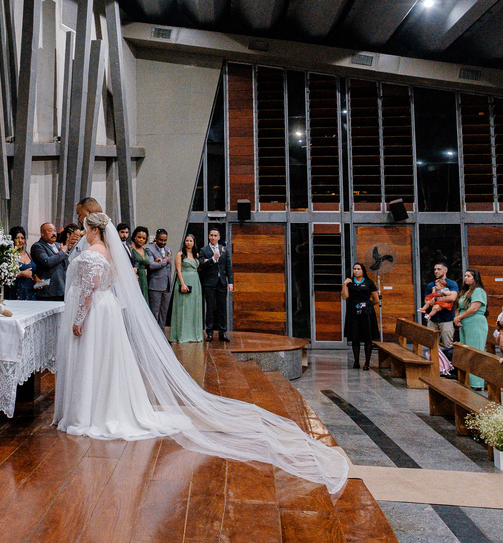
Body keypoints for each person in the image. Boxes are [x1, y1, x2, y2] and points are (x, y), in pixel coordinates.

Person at [53, 211, 347, 493]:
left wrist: (79, 318)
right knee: (105, 364)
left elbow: (90, 288)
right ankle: (101, 407)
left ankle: (89, 412)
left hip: (95, 312)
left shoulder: (93, 253)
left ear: (93, 230)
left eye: (83, 228)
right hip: (108, 312)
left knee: (94, 361)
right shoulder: (110, 253)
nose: (80, 234)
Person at [454, 269, 489, 390]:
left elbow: (474, 308)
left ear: (475, 278)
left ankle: (477, 383)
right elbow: (459, 306)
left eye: (469, 276)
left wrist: (460, 317)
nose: (466, 278)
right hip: (465, 323)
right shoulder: (465, 291)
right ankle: (467, 380)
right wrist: (457, 318)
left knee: (475, 351)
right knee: (465, 350)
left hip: (475, 322)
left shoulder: (478, 290)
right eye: (465, 275)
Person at [341, 262, 379, 370]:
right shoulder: (350, 283)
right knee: (355, 337)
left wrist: (367, 306)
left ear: (363, 271)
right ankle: (356, 362)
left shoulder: (369, 283)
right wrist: (344, 284)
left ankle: (367, 363)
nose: (356, 271)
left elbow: (376, 299)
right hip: (353, 311)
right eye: (354, 269)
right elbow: (345, 296)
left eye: (358, 269)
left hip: (366, 312)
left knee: (367, 338)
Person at [197, 228, 232, 342]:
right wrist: (212, 259)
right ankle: (210, 332)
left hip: (221, 282)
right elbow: (202, 265)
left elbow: (228, 267)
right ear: (208, 236)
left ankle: (222, 332)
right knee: (210, 308)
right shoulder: (204, 250)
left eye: (215, 235)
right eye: (211, 235)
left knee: (222, 308)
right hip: (209, 283)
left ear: (219, 237)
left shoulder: (224, 249)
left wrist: (230, 282)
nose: (213, 237)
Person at [169, 234, 204, 344]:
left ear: (194, 243)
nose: (188, 243)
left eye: (191, 241)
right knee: (183, 307)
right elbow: (178, 270)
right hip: (184, 280)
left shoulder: (196, 255)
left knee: (194, 308)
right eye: (187, 241)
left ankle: (195, 335)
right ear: (184, 242)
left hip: (195, 281)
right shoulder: (180, 255)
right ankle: (181, 334)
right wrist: (182, 284)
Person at [422, 262, 459, 349]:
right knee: (431, 345)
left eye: (439, 269)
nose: (436, 271)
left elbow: (452, 298)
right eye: (435, 269)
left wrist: (435, 300)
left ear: (445, 270)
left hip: (447, 319)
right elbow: (426, 300)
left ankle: (448, 362)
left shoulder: (451, 284)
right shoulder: (431, 285)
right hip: (433, 319)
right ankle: (433, 362)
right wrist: (429, 301)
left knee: (448, 345)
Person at [30, 222, 68, 301]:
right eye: (50, 231)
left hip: (62, 288)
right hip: (49, 291)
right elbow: (47, 262)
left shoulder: (58, 245)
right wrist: (62, 253)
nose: (53, 233)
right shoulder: (38, 246)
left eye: (54, 231)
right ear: (42, 233)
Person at [146, 229, 174, 328]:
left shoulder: (168, 250)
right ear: (156, 238)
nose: (163, 242)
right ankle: (153, 337)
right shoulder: (150, 249)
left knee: (164, 313)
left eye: (165, 240)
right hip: (155, 286)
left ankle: (162, 337)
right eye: (161, 240)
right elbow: (150, 265)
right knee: (155, 313)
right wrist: (164, 262)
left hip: (166, 286)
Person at [8, 227, 37, 301]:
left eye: (22, 238)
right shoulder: (9, 256)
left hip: (30, 292)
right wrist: (22, 273)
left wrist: (36, 278)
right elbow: (6, 276)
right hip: (15, 292)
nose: (20, 241)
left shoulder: (28, 254)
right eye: (17, 238)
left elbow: (33, 271)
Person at [129, 226, 151, 302]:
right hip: (135, 277)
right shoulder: (130, 249)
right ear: (134, 237)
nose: (141, 240)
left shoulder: (145, 250)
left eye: (143, 238)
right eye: (139, 237)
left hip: (144, 278)